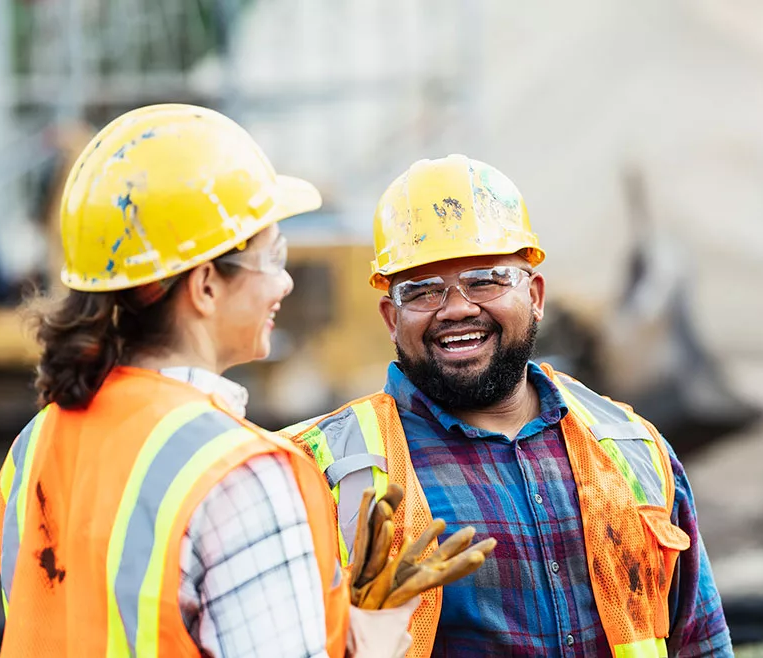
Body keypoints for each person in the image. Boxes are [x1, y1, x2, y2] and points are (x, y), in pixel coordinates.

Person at [0, 103, 428, 657]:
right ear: (205, 286)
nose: (285, 282)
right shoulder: (244, 474)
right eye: (273, 257)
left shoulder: (32, 448)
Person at [281, 154, 733, 658]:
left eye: (486, 279)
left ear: (535, 295)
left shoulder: (632, 447)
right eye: (423, 290)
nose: (456, 308)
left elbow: (699, 642)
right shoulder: (317, 470)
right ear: (391, 317)